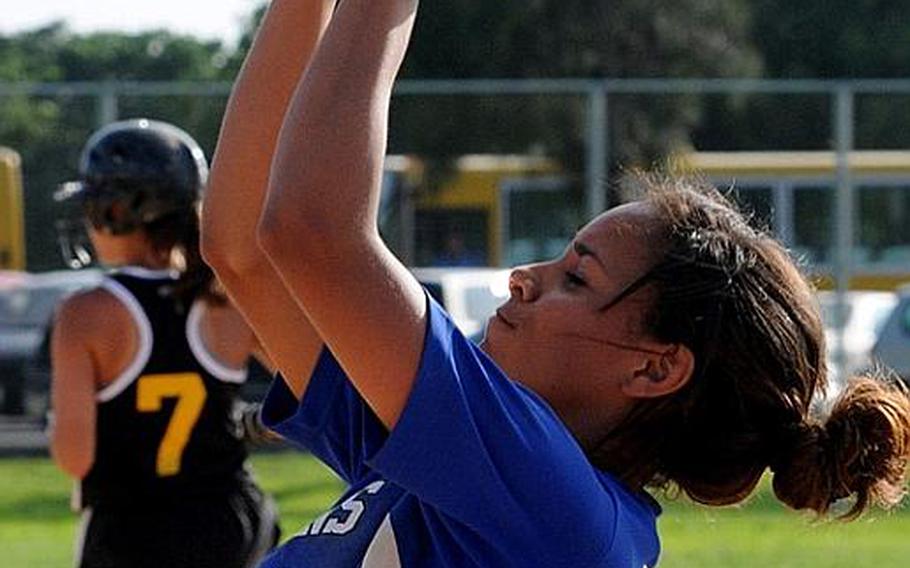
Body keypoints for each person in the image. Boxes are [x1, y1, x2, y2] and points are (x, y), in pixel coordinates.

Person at [202, 1, 910, 566]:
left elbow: (312, 232)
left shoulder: (555, 510)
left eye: (577, 275)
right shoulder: (494, 474)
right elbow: (247, 257)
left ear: (657, 366)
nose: (523, 280)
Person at [50, 118, 279, 568]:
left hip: (133, 533)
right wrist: (249, 422)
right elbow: (314, 391)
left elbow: (75, 458)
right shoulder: (227, 297)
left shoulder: (87, 313)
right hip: (231, 523)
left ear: (116, 211)